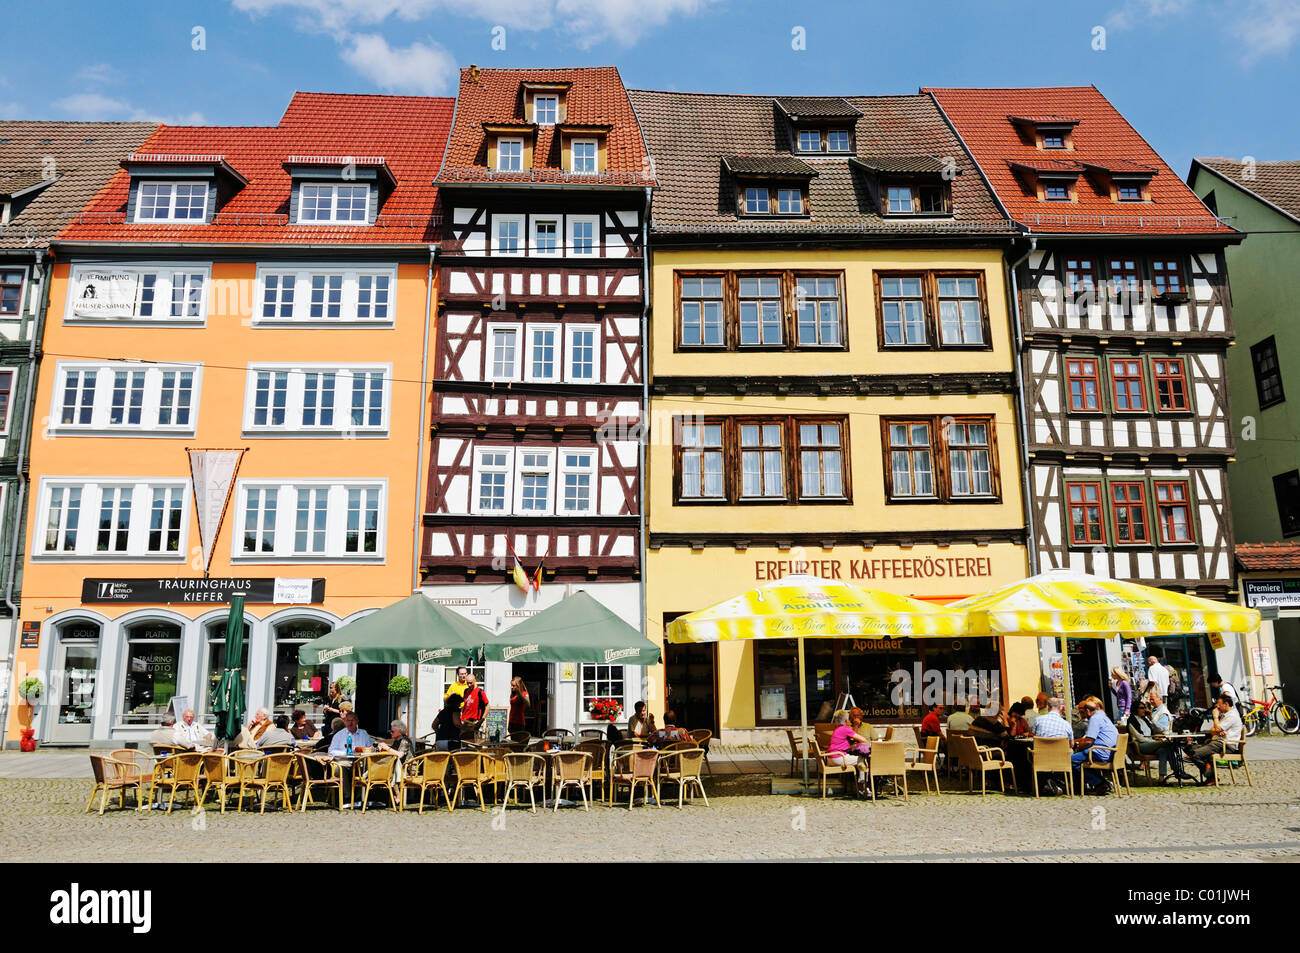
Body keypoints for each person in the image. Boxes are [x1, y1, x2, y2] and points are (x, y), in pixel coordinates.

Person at [1189, 693, 1243, 786]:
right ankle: (1210, 773)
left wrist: (1215, 717)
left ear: (1226, 704)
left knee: (1195, 754)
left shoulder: (1231, 716)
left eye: (1219, 704)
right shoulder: (1226, 715)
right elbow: (1213, 730)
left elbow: (1216, 729)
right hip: (1217, 742)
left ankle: (1211, 777)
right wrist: (1217, 730)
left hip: (1225, 745)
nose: (1217, 706)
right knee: (1190, 748)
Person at [1071, 697, 1119, 794]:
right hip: (1110, 752)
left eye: (1083, 712)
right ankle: (1103, 783)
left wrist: (1078, 747)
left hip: (1100, 752)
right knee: (1079, 759)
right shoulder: (1104, 717)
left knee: (1069, 760)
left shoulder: (1094, 718)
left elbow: (1089, 741)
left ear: (1088, 711)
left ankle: (1100, 784)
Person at [1128, 698, 1178, 782]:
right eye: (1141, 708)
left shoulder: (1145, 719)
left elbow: (1160, 729)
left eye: (1144, 707)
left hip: (1150, 744)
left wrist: (1151, 718)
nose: (1144, 709)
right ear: (1135, 709)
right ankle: (1177, 771)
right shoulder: (1131, 720)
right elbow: (1140, 737)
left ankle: (1161, 779)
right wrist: (1154, 742)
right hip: (1140, 745)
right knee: (1168, 744)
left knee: (1164, 750)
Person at [826, 710, 872, 795]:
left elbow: (845, 742)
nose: (850, 721)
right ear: (846, 721)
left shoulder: (837, 729)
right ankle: (863, 787)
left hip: (831, 758)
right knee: (863, 760)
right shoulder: (845, 729)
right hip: (838, 758)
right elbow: (863, 739)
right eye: (849, 720)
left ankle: (859, 786)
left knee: (859, 759)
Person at [459, 672, 489, 738]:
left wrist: (482, 720)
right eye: (467, 683)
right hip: (465, 721)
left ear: (475, 681)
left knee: (472, 741)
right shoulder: (466, 691)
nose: (469, 685)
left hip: (474, 721)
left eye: (471, 683)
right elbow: (466, 704)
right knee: (463, 741)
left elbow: (488, 706)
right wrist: (461, 713)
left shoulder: (480, 692)